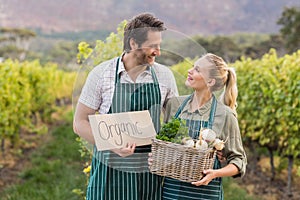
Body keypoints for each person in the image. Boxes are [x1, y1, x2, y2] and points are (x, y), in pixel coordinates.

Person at [73, 13, 178, 200]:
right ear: (132, 43)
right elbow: (79, 122)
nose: (158, 52)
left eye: (159, 46)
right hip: (109, 171)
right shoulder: (101, 74)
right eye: (152, 46)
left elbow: (176, 122)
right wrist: (113, 145)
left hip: (148, 173)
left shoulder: (164, 76)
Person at [151, 53, 247, 200]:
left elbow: (239, 160)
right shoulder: (174, 105)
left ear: (210, 82)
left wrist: (215, 173)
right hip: (171, 191)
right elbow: (166, 144)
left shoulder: (225, 114)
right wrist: (156, 158)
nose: (190, 71)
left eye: (197, 70)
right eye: (192, 67)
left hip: (205, 193)